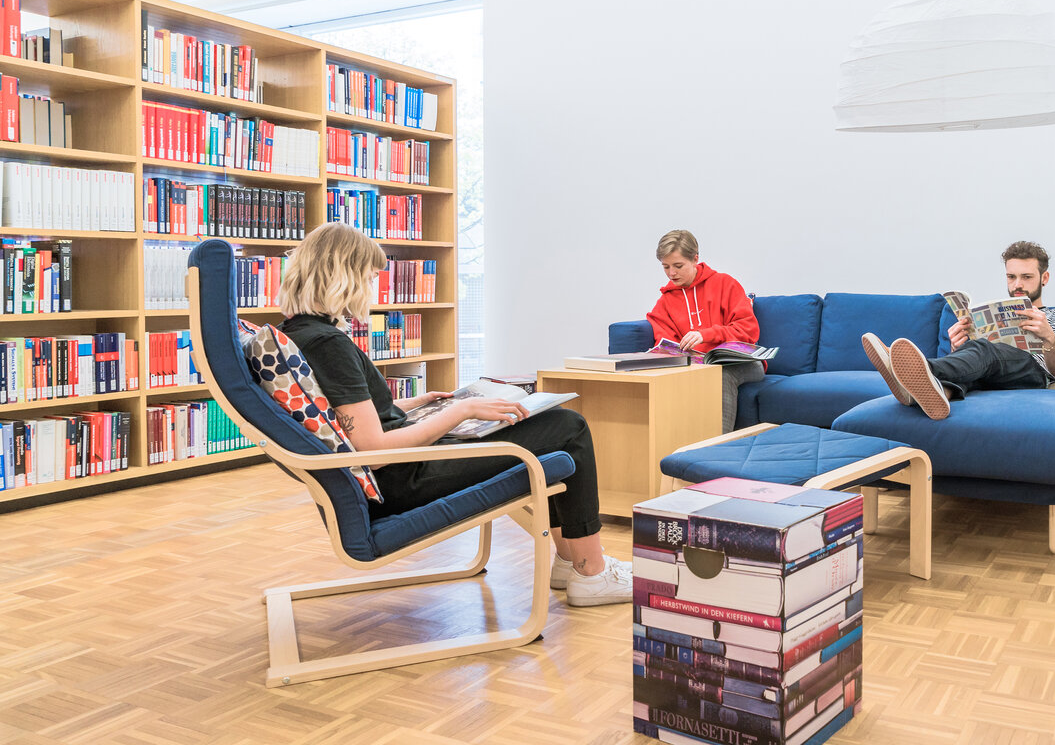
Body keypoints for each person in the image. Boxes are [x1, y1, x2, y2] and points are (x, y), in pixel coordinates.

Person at [276, 222, 631, 607]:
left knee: (547, 431)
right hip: (405, 476)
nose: (373, 285)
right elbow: (371, 446)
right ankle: (590, 573)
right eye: (370, 275)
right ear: (343, 274)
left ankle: (569, 561)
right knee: (567, 427)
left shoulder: (301, 333)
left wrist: (422, 404)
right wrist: (462, 409)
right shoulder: (330, 344)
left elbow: (353, 420)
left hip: (403, 467)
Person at [862, 240, 1055, 420]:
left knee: (985, 350)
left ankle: (918, 369)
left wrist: (1048, 338)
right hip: (993, 370)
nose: (1017, 284)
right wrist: (958, 347)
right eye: (1011, 277)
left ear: (1044, 278)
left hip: (1031, 374)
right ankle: (935, 392)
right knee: (974, 366)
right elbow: (977, 358)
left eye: (1026, 277)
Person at [647, 229, 763, 433]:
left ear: (695, 259)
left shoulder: (725, 284)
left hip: (741, 363)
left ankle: (717, 448)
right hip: (696, 366)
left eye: (678, 266)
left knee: (720, 374)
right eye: (665, 267)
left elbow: (748, 331)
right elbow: (666, 345)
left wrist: (707, 334)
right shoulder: (664, 303)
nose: (671, 273)